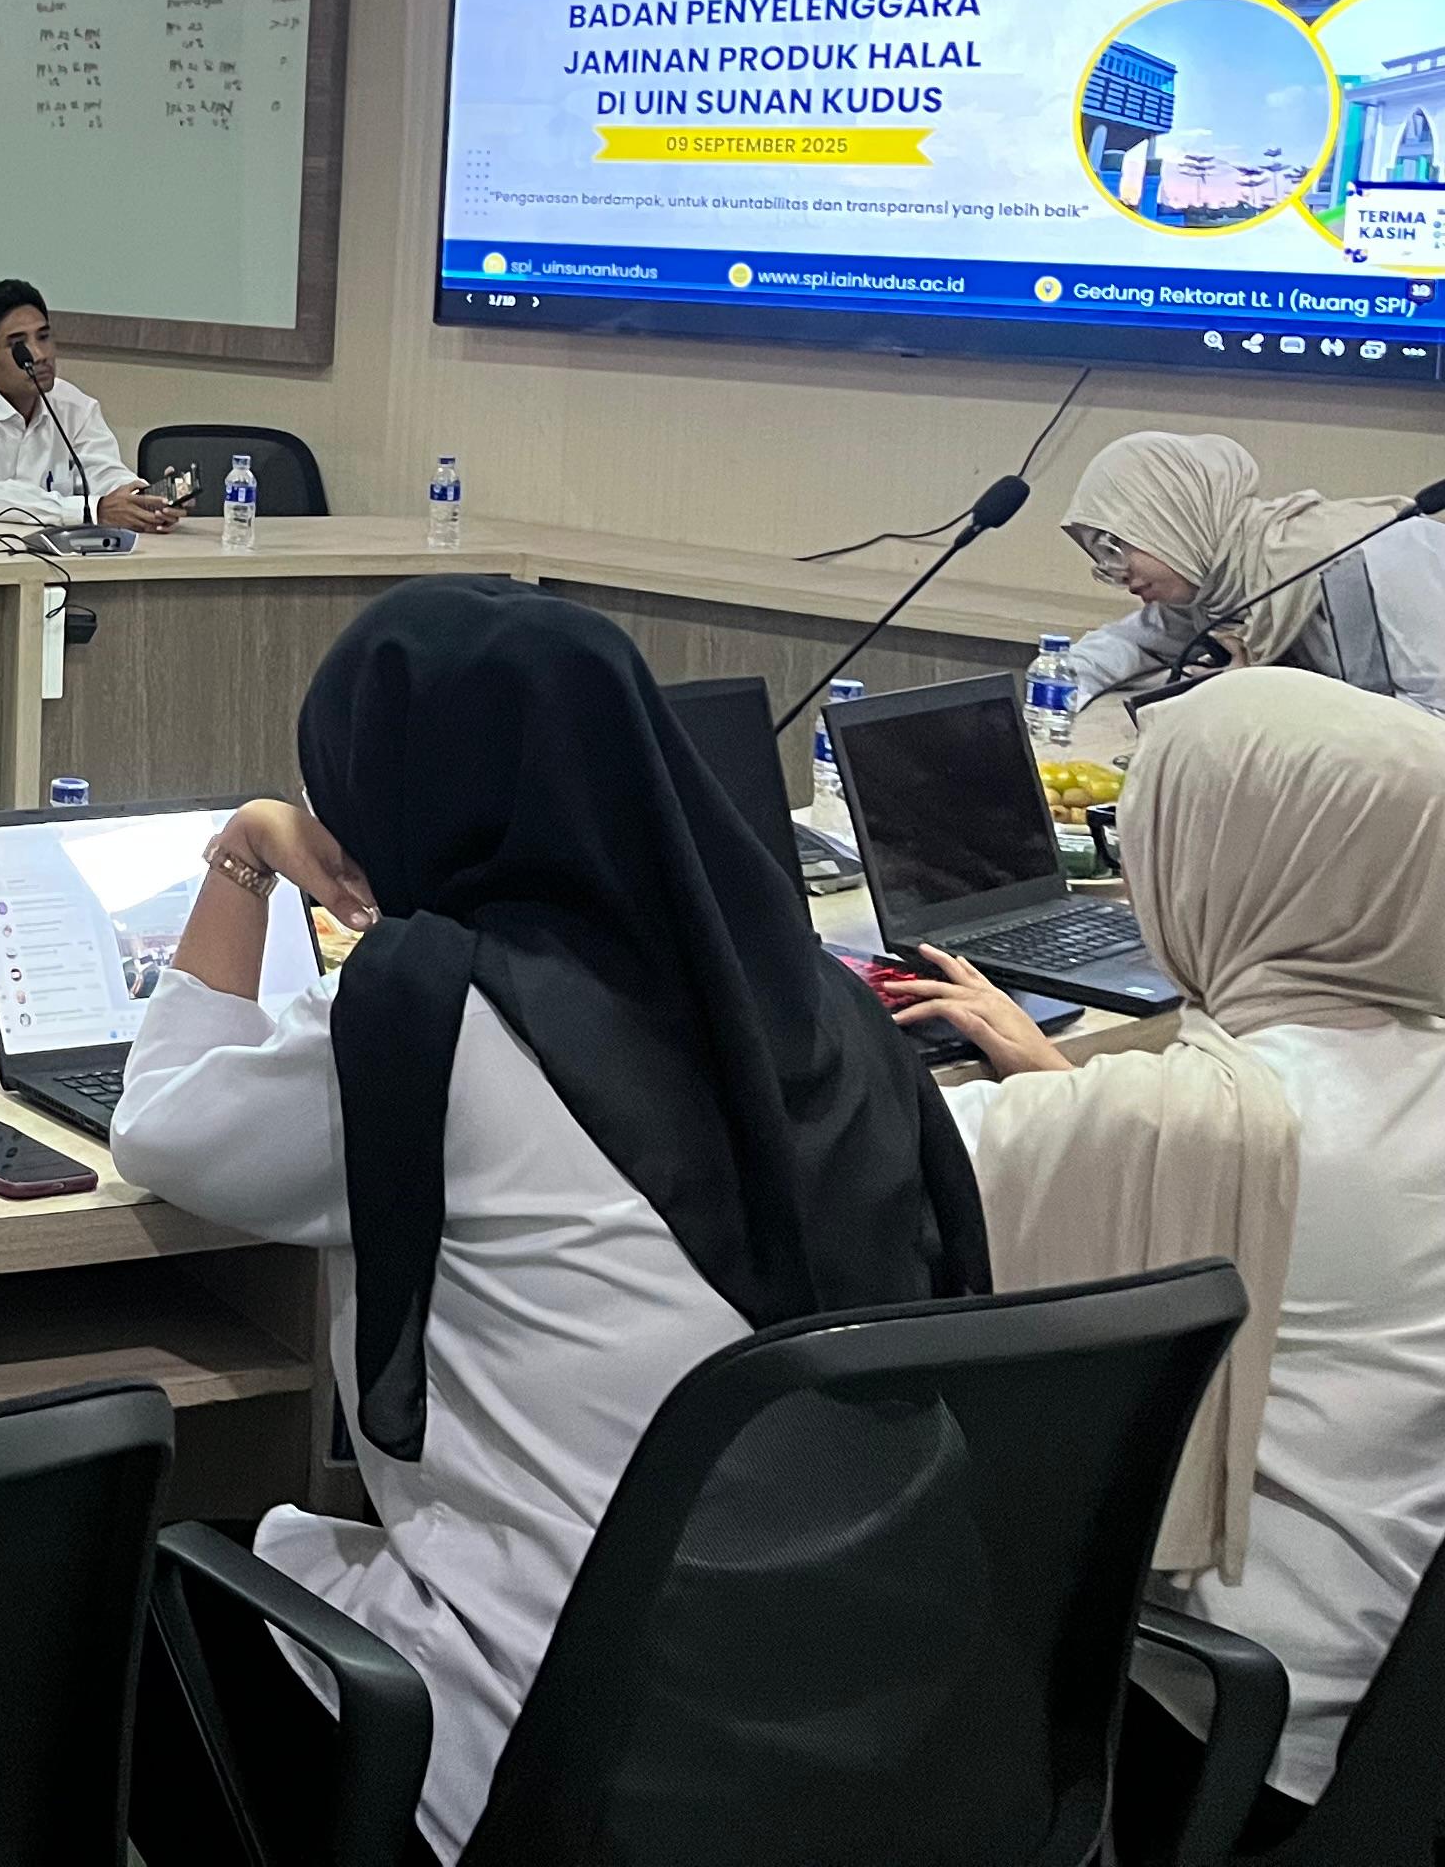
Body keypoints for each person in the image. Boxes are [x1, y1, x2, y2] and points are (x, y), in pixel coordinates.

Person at [111, 581, 990, 1864]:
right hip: (880, 1725)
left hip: (583, 1756)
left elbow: (163, 1126)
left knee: (149, 1604)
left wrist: (245, 855)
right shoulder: (818, 1003)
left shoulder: (436, 1021)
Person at [881, 670, 1445, 1840]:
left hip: (1217, 1723)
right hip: (1392, 1705)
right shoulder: (1386, 1087)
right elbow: (1277, 1181)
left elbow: (846, 1172)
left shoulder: (1186, 1127)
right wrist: (1064, 1084)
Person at [1056, 429, 1445, 733]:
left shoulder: (1377, 554)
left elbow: (1432, 721)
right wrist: (1051, 693)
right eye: (1102, 561)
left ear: (1168, 520)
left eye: (1114, 549)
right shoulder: (1217, 587)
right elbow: (1126, 645)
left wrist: (1258, 699)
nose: (1119, 573)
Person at [0, 279, 181, 534]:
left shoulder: (73, 405)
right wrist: (87, 511)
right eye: (18, 345)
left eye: (43, 337)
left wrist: (145, 502)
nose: (40, 355)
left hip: (58, 557)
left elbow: (104, 474)